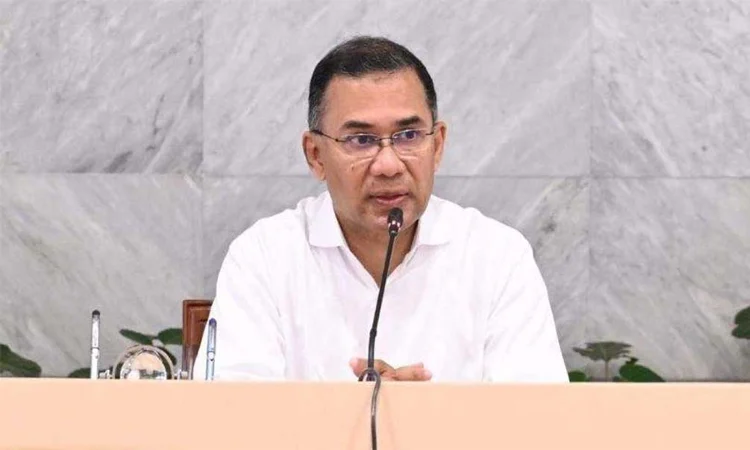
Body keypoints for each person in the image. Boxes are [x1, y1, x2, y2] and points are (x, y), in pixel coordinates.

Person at [193, 36, 568, 382]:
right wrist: (362, 417)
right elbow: (229, 417)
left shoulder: (497, 257)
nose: (388, 165)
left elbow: (539, 418)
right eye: (361, 140)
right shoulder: (264, 257)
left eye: (408, 136)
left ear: (437, 145)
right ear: (316, 155)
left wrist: (425, 419)